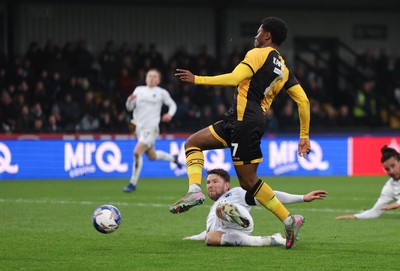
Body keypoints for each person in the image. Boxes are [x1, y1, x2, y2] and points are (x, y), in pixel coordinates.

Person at [171, 17, 311, 249]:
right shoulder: (284, 69)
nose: (255, 36)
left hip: (243, 120)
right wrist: (304, 136)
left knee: (248, 181)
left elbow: (235, 78)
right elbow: (303, 101)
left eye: (258, 31)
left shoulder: (258, 54)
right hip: (238, 119)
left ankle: (289, 220)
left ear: (267, 36)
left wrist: (198, 79)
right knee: (193, 143)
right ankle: (195, 191)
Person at [184, 168, 327, 247]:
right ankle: (274, 240)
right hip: (229, 232)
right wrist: (193, 237)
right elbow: (209, 230)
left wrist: (302, 197)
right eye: (208, 182)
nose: (210, 185)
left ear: (227, 185)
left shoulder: (236, 192)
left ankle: (236, 215)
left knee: (221, 208)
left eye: (215, 181)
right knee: (210, 238)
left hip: (242, 221)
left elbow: (270, 196)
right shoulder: (212, 210)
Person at [123, 69, 182, 192]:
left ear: (159, 80)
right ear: (146, 78)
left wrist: (169, 115)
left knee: (136, 152)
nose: (152, 78)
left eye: (155, 76)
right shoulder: (139, 90)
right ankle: (173, 158)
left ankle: (132, 183)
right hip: (139, 129)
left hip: (151, 129)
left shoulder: (161, 93)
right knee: (152, 156)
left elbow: (172, 105)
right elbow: (129, 108)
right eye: (149, 76)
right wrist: (129, 100)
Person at [336, 145, 400, 219]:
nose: (391, 171)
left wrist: (398, 203)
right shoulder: (389, 187)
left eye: (393, 166)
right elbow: (375, 212)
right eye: (387, 169)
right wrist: (354, 216)